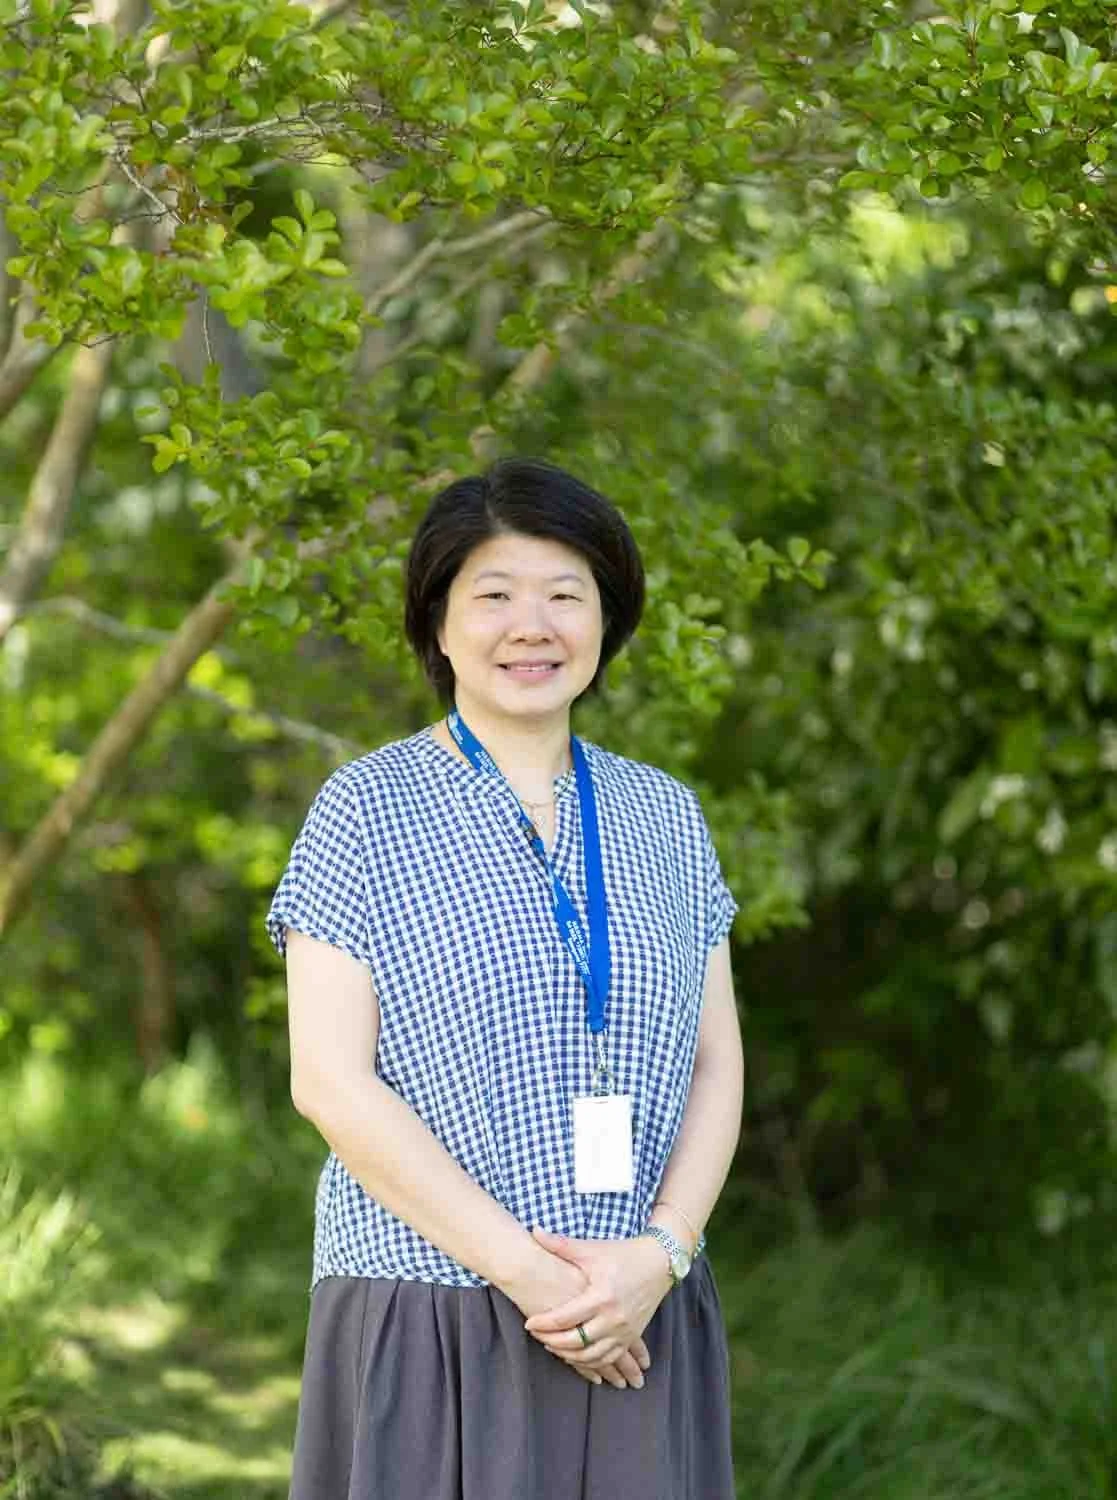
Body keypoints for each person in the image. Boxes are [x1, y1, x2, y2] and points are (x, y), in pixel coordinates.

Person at [266, 457, 744, 1500]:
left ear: (605, 624)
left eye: (565, 595)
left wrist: (657, 1258)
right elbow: (330, 1084)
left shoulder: (666, 816)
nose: (532, 624)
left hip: (640, 1310)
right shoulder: (366, 811)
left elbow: (715, 1063)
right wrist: (539, 1282)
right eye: (493, 595)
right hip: (431, 1308)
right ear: (437, 625)